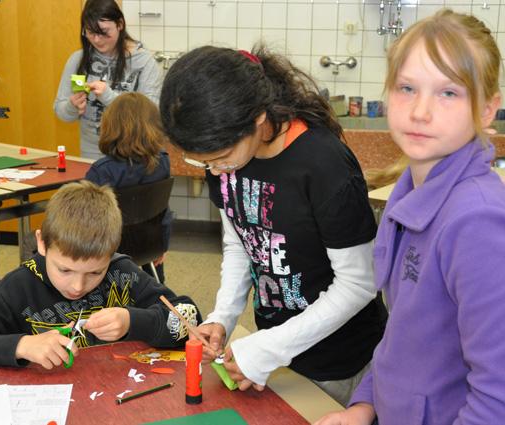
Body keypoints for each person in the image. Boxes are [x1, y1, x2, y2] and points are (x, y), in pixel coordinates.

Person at [314, 9, 505, 425]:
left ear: (487, 109)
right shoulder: (410, 195)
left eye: (448, 92)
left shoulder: (480, 226)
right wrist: (365, 405)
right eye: (407, 87)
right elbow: (402, 337)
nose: (420, 111)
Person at [159, 44, 388, 406]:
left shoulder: (323, 164)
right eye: (204, 163)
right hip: (273, 354)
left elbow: (358, 284)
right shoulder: (226, 160)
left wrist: (268, 348)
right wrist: (224, 316)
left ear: (258, 119)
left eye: (220, 159)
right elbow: (242, 243)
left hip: (337, 363)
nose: (214, 172)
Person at [0, 180, 201, 370]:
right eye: (64, 269)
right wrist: (22, 346)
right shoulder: (15, 289)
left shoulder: (121, 273)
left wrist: (134, 321)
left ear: (111, 253)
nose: (77, 285)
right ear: (42, 243)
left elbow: (190, 318)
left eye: (95, 272)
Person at [53, 0, 163, 159]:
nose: (97, 40)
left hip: (133, 152)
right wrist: (72, 106)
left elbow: (152, 113)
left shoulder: (143, 61)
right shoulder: (78, 59)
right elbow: (61, 111)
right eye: (90, 32)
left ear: (120, 24)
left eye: (104, 32)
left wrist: (109, 97)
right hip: (91, 150)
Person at [84, 92, 172, 283]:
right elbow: (163, 211)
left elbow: (85, 222)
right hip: (150, 247)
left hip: (109, 254)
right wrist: (162, 246)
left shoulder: (101, 170)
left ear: (111, 125)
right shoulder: (163, 161)